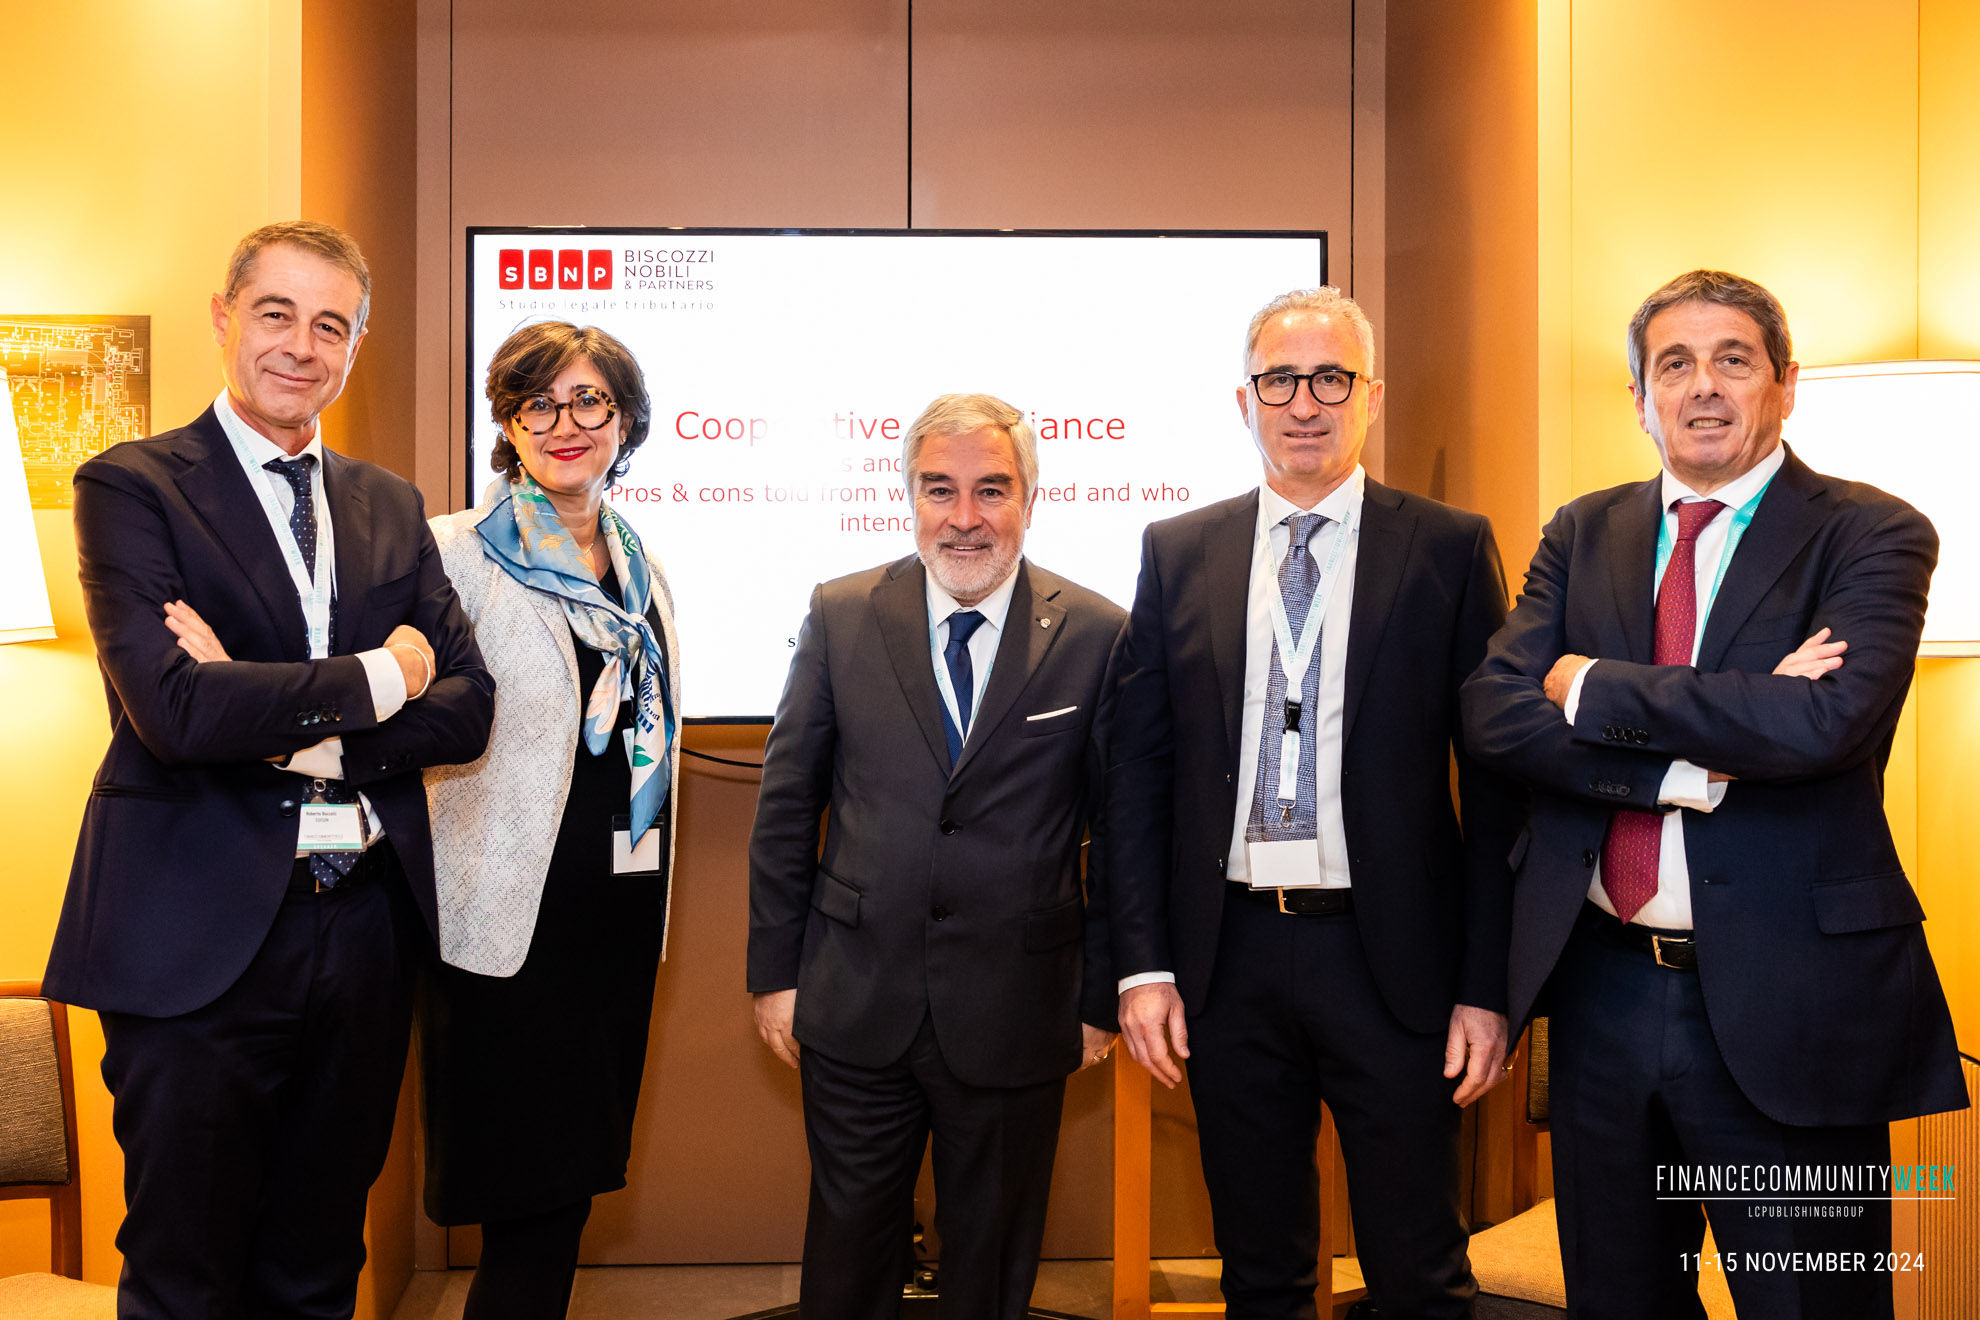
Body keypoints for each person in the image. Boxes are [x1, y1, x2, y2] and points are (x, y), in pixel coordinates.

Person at [1459, 269, 1966, 1320]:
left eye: (1733, 360)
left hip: (1789, 999)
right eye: (1674, 365)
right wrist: (1688, 762)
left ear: (1785, 384)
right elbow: (1495, 714)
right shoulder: (1583, 530)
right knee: (1621, 1301)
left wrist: (1590, 685)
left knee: (1810, 1306)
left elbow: (1822, 724)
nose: (1703, 387)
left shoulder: (1872, 532)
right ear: (1640, 397)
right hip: (1599, 989)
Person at [43, 220, 495, 1319]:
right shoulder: (134, 486)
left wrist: (287, 721)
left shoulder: (389, 503)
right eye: (276, 313)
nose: (302, 345)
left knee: (318, 1267)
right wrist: (383, 674)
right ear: (224, 317)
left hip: (364, 931)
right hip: (193, 938)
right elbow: (174, 711)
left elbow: (470, 705)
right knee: (185, 1276)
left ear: (356, 345)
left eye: (330, 325)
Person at [1105, 287, 1521, 1319]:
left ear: (1371, 396)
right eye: (1280, 380)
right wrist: (1144, 965)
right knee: (1261, 1274)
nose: (1304, 403)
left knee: (1419, 1273)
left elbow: (1497, 786)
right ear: (1243, 401)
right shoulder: (1178, 550)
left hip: (1394, 964)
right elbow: (1139, 774)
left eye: (1331, 378)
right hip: (1228, 959)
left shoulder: (1448, 547)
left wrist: (1488, 985)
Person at [747, 393, 1124, 1320]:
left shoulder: (1097, 633)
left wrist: (1099, 996)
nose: (964, 517)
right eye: (939, 490)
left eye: (991, 490)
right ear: (909, 497)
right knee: (847, 1261)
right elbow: (788, 805)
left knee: (989, 1268)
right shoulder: (841, 613)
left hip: (1017, 1006)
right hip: (854, 997)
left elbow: (1122, 833)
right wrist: (776, 976)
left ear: (1030, 498)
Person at [419, 321, 681, 1320]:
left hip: (613, 915)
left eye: (589, 401)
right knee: (523, 1194)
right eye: (539, 403)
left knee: (568, 1189)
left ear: (625, 419)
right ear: (508, 422)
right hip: (505, 922)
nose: (565, 424)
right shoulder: (454, 552)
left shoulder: (641, 564)